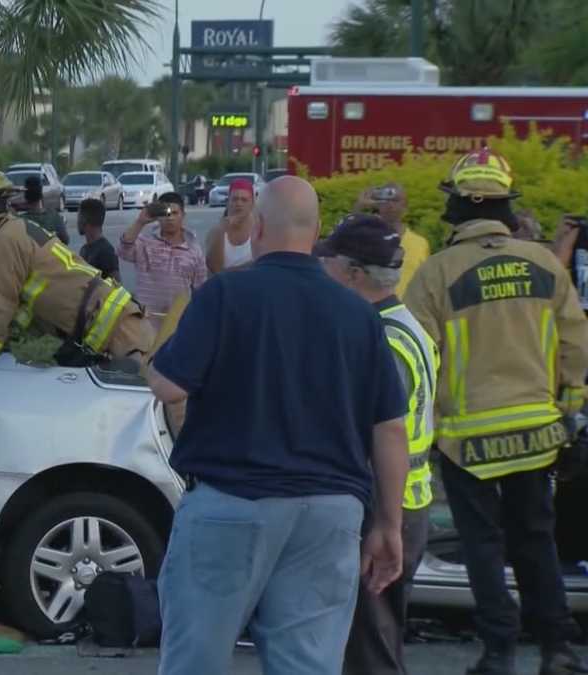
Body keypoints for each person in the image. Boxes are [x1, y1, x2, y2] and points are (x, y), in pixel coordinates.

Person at [149, 176, 409, 675]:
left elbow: (169, 386)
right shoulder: (359, 315)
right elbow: (390, 429)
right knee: (308, 665)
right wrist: (389, 526)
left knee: (195, 660)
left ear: (260, 226)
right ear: (315, 235)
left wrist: (151, 353)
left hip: (231, 506)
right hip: (330, 515)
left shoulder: (226, 294)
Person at [404, 149, 588, 675]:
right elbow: (576, 346)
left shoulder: (437, 273)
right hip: (536, 433)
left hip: (466, 441)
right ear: (506, 206)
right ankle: (557, 649)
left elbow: (417, 355)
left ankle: (499, 652)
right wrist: (570, 412)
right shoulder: (546, 264)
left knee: (482, 546)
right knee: (536, 540)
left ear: (458, 206)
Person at [315, 214, 439, 675]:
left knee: (372, 651)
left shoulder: (381, 338)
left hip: (385, 508)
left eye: (328, 261)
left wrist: (381, 521)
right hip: (406, 502)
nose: (321, 269)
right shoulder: (407, 326)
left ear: (354, 273)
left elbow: (378, 433)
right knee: (376, 640)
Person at [0, 172, 153, 365]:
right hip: (119, 328)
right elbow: (15, 304)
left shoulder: (3, 241)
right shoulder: (16, 230)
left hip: (122, 336)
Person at [119, 191, 208, 331]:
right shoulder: (144, 243)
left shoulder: (194, 250)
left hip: (178, 326)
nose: (170, 218)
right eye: (166, 213)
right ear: (158, 217)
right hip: (144, 324)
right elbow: (123, 251)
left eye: (175, 213)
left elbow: (200, 291)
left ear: (183, 215)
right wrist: (140, 221)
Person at [354, 182, 429, 296]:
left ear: (405, 206)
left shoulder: (420, 243)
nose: (390, 205)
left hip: (409, 310)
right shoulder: (368, 239)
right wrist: (359, 207)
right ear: (377, 204)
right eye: (385, 200)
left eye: (395, 200)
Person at [205, 178, 255, 273]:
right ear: (228, 202)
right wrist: (221, 230)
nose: (239, 204)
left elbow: (261, 265)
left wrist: (229, 272)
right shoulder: (217, 230)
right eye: (235, 199)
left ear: (252, 203)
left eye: (244, 200)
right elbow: (214, 268)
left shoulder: (259, 230)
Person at [14, 175, 69, 245]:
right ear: (41, 193)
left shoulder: (20, 221)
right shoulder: (54, 216)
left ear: (25, 195)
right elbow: (65, 240)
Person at [77, 198, 119, 280]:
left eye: (78, 217)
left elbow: (116, 286)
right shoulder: (84, 250)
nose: (77, 221)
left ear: (84, 220)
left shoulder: (106, 251)